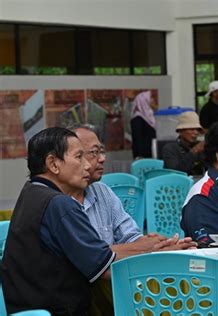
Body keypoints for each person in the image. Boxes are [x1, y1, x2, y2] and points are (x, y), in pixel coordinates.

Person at [0, 127, 117, 314]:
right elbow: (103, 268)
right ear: (53, 164)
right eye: (79, 157)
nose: (87, 165)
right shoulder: (60, 205)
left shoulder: (30, 191)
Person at [71, 124, 196, 256]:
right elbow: (87, 254)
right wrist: (144, 247)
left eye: (101, 151)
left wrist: (161, 245)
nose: (102, 158)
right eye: (94, 152)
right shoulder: (58, 202)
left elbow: (130, 235)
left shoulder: (103, 191)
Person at [130, 90, 157, 159]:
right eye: (151, 98)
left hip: (153, 154)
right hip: (143, 157)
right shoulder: (137, 118)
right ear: (143, 101)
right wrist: (139, 156)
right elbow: (137, 139)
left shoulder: (150, 116)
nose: (152, 100)